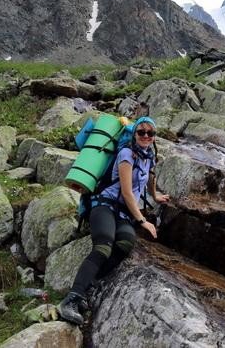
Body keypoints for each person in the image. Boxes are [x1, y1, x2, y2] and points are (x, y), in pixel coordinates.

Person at [59, 116, 170, 324]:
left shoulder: (149, 156)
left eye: (150, 133)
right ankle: (71, 299)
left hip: (123, 213)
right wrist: (142, 221)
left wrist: (155, 196)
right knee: (103, 246)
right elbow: (127, 193)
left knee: (125, 244)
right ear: (135, 134)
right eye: (141, 132)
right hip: (104, 204)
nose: (146, 136)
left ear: (154, 137)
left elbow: (150, 176)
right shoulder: (127, 154)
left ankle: (89, 285)